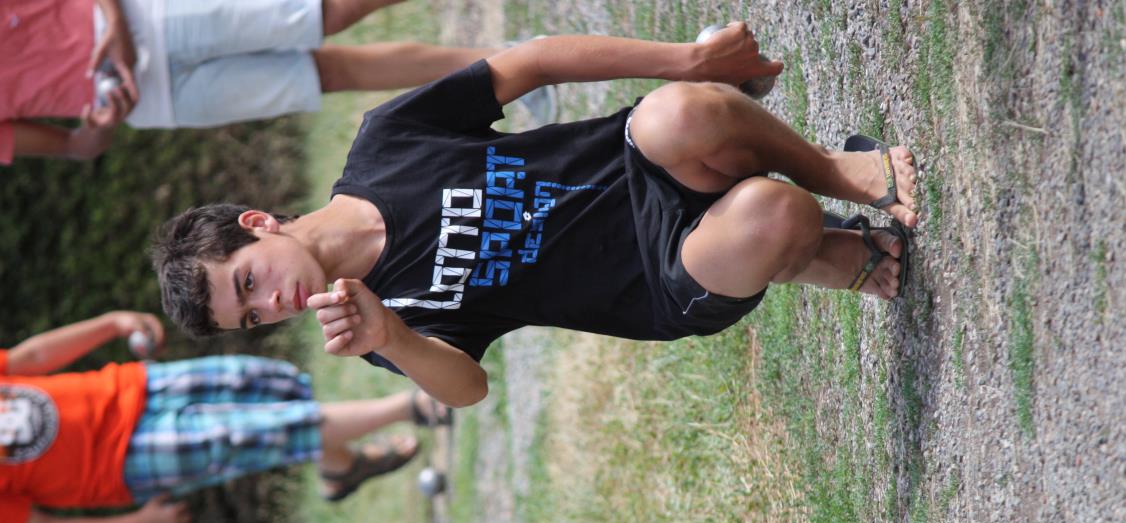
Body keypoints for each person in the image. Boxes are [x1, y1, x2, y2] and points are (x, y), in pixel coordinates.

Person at [151, 23, 920, 409]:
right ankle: (819, 253)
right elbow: (466, 388)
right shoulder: (370, 322)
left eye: (247, 283)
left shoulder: (385, 144)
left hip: (646, 160)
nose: (270, 305)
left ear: (258, 224)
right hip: (661, 279)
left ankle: (839, 174)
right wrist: (393, 337)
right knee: (772, 215)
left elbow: (532, 63)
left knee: (678, 112)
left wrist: (688, 60)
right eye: (250, 318)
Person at [0, 310, 450, 523]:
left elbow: (30, 359)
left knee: (269, 385)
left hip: (135, 387)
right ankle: (412, 406)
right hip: (126, 461)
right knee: (259, 432)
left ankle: (342, 468)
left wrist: (110, 324)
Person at [0, 0, 556, 163]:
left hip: (141, 17)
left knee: (328, 12)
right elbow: (76, 148)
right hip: (150, 101)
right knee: (329, 73)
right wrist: (101, 125)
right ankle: (515, 65)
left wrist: (115, 24)